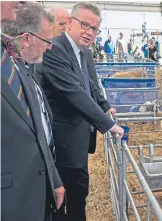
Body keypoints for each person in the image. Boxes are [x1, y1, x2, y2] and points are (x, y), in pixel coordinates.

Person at [33, 2, 124, 221]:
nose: (89, 32)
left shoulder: (82, 52)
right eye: (85, 25)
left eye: (94, 29)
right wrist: (108, 124)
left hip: (78, 139)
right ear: (70, 23)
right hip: (63, 142)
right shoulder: (54, 49)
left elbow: (91, 84)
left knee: (79, 193)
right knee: (66, 199)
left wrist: (104, 106)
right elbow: (74, 92)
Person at [1, 2, 65, 221]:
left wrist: (53, 179)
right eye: (47, 40)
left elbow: (39, 129)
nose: (49, 47)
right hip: (10, 201)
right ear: (27, 39)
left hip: (35, 193)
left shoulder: (14, 59)